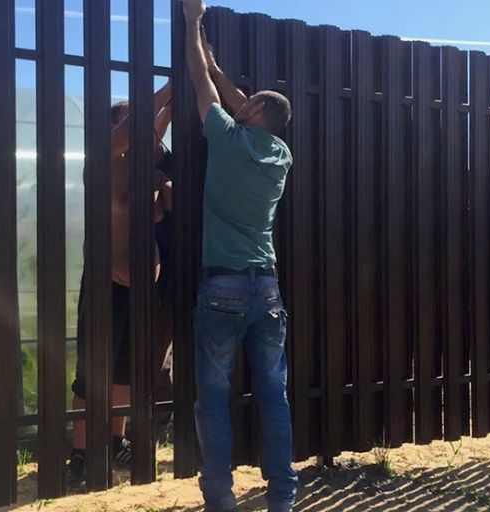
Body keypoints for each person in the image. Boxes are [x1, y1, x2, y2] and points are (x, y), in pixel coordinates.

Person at [180, 1, 297, 511]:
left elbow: (199, 83)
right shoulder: (281, 155)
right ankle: (282, 497)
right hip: (266, 288)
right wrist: (218, 65)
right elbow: (248, 104)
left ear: (251, 114)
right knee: (274, 395)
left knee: (213, 398)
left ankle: (220, 498)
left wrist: (192, 24)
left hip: (222, 287)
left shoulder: (226, 139)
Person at [68, 83, 173, 488]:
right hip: (106, 286)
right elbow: (140, 130)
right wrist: (169, 89)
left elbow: (153, 136)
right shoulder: (101, 162)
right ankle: (81, 456)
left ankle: (115, 441)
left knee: (127, 370)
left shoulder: (146, 169)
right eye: (131, 123)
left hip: (142, 289)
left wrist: (174, 100)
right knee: (93, 371)